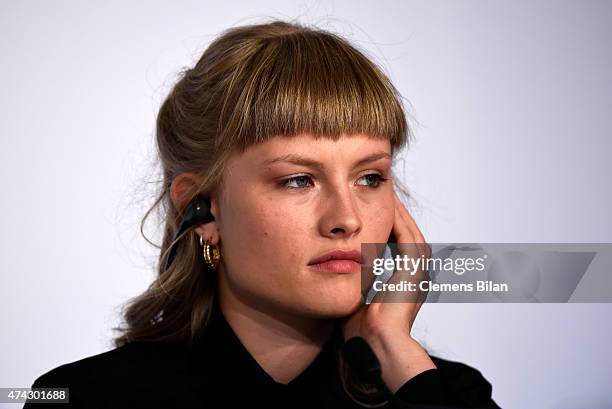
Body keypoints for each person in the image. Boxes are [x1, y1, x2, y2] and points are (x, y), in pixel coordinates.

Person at [25, 19, 501, 408]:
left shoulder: (442, 394)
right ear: (203, 209)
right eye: (298, 180)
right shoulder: (81, 399)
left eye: (369, 178)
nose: (347, 218)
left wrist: (396, 354)